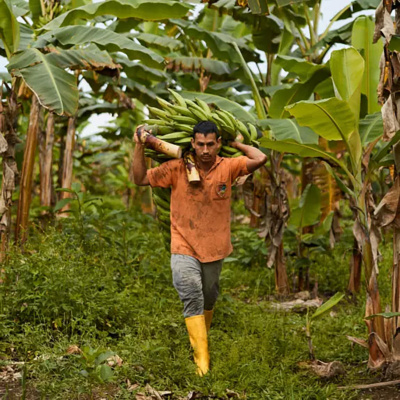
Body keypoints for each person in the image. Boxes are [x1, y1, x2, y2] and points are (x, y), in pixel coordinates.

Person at [132, 120, 267, 376]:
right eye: (200, 144)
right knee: (191, 294)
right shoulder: (175, 168)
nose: (205, 150)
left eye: (210, 144)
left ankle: (200, 338)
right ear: (192, 144)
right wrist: (140, 144)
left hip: (215, 248)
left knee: (209, 296)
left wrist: (235, 143)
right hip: (182, 245)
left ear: (217, 144)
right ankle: (202, 365)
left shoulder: (228, 167)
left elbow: (260, 158)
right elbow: (139, 179)